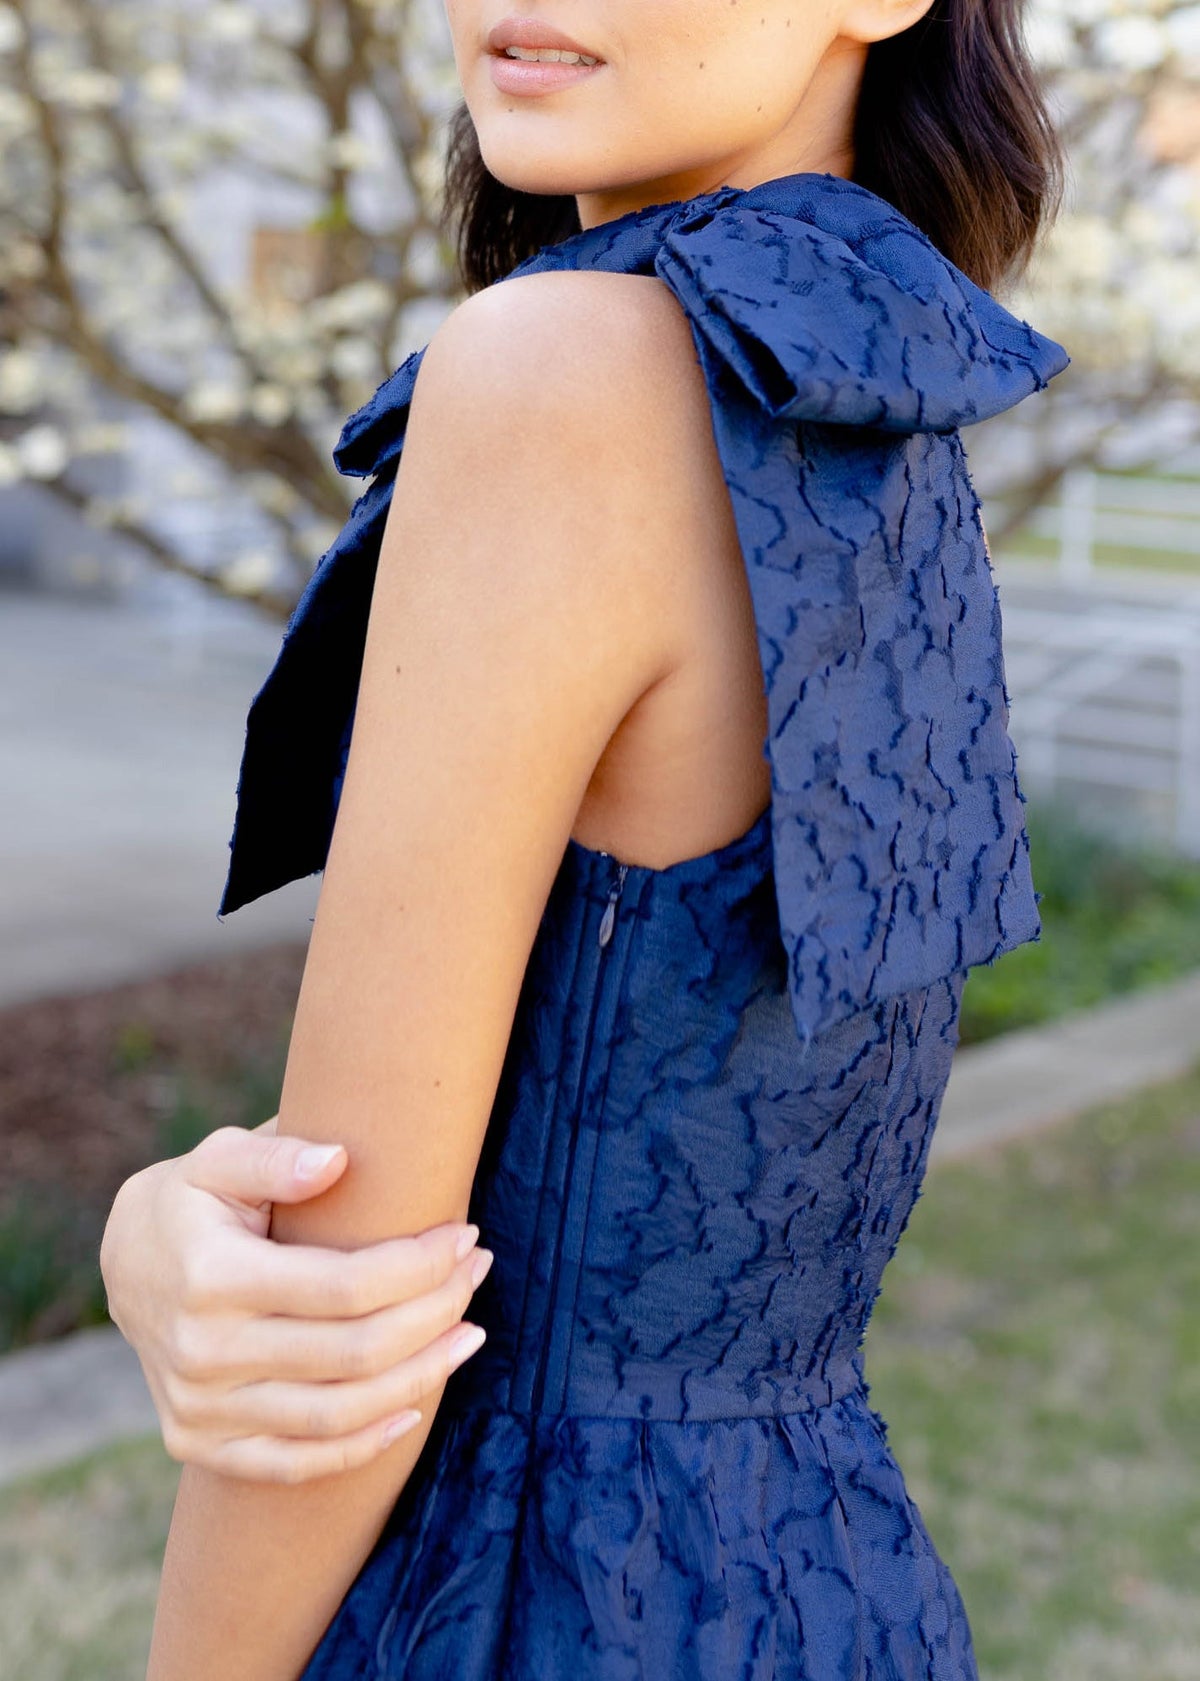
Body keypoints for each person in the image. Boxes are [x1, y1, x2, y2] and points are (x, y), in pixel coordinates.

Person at [100, 0, 1070, 1675]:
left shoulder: (565, 371)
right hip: (819, 1591)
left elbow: (349, 1302)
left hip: (524, 1598)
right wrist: (162, 1226)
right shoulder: (871, 388)